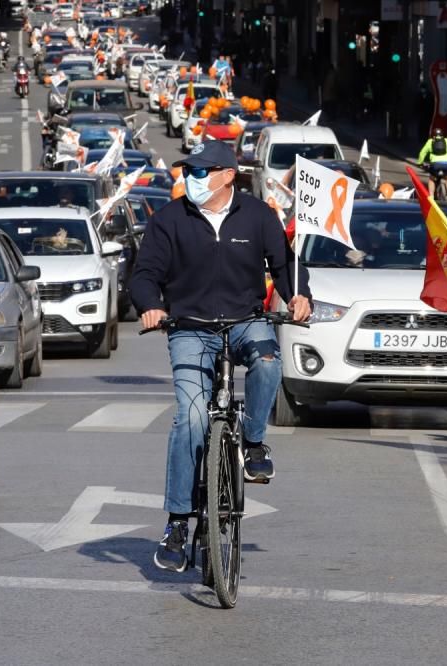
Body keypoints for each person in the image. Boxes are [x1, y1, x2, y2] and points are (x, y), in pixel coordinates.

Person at [129, 140, 312, 572]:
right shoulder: (170, 220)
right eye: (187, 171)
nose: (190, 179)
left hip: (246, 320)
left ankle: (252, 443)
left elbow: (284, 267)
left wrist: (299, 296)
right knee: (191, 418)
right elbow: (145, 273)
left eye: (200, 171)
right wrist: (150, 306)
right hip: (189, 327)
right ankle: (176, 523)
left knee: (269, 363)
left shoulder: (258, 216)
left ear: (228, 175)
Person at [417, 128, 447, 198]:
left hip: (435, 164)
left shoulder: (430, 141)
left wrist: (420, 162)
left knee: (432, 179)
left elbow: (422, 153)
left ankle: (431, 196)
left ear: (433, 135)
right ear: (442, 134)